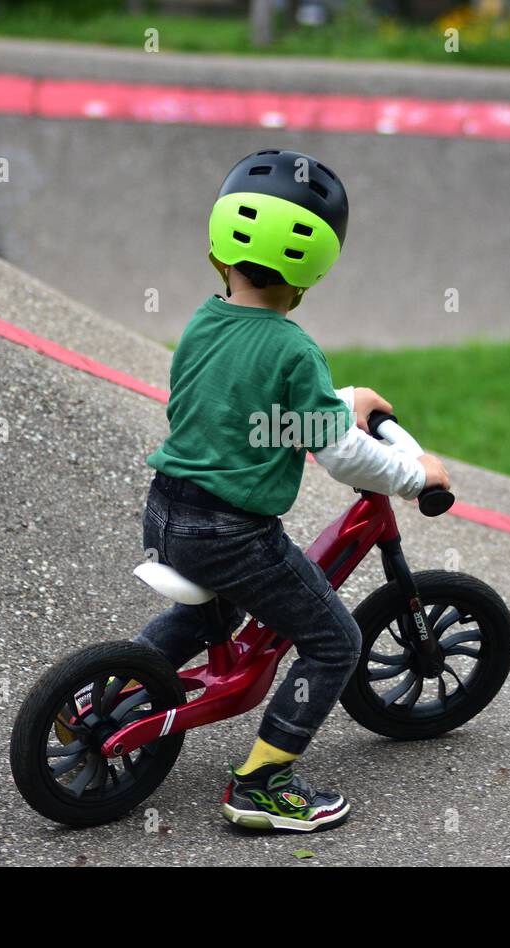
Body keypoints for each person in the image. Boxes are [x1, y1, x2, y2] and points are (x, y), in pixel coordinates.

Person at [136, 148, 451, 832]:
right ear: (315, 267)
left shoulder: (200, 322)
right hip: (231, 534)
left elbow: (242, 402)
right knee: (335, 639)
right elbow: (341, 455)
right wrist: (413, 473)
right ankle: (261, 784)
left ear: (220, 250)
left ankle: (125, 690)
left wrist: (340, 399)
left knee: (207, 615)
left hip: (166, 511)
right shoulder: (294, 349)